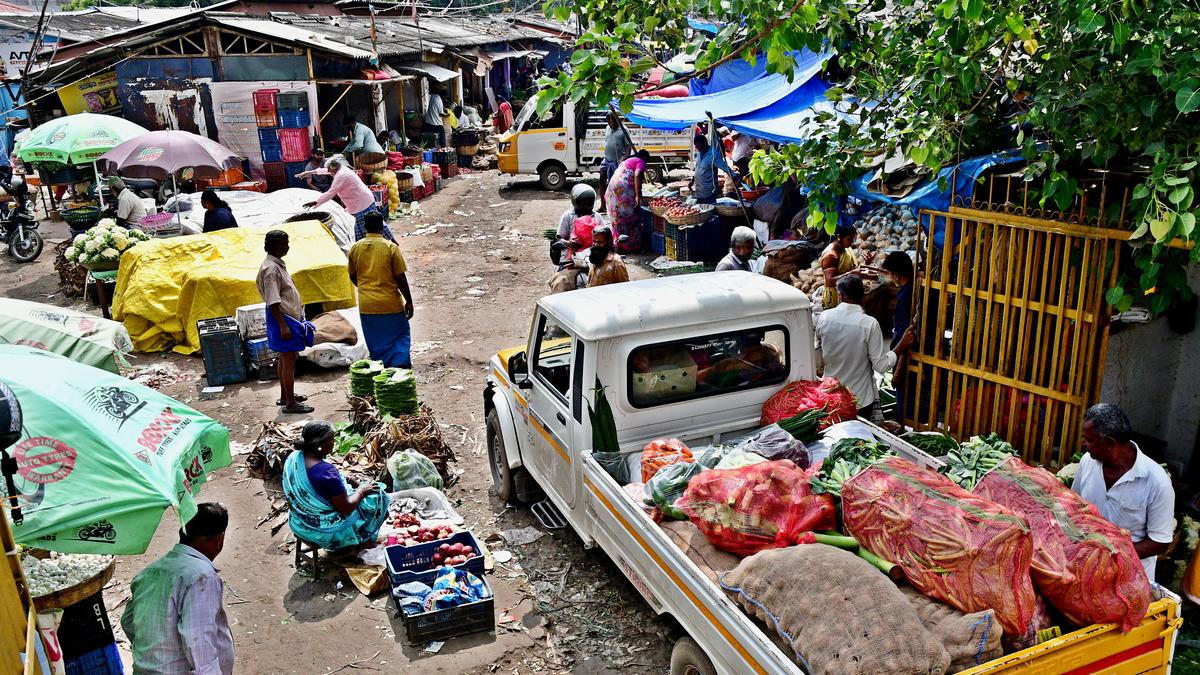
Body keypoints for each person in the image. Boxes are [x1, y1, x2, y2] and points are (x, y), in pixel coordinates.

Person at [122, 503, 234, 675]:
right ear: (219, 539)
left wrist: (154, 655)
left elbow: (128, 621)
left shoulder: (149, 573)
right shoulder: (201, 576)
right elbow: (198, 641)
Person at [1074, 403, 1176, 583]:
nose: (1083, 444)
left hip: (1129, 579)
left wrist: (1112, 554)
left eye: (1088, 439)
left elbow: (1160, 542)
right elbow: (1072, 505)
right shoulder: (1087, 462)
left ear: (1109, 443)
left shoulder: (1157, 482)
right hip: (1083, 568)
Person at [816, 274, 914, 419]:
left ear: (840, 296)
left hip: (830, 396)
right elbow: (881, 366)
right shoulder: (869, 324)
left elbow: (817, 358)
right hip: (859, 401)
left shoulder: (824, 317)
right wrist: (902, 344)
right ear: (863, 297)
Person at [283, 420, 390, 552]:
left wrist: (345, 479)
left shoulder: (294, 457)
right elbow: (346, 508)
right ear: (320, 445)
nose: (334, 444)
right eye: (332, 441)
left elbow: (314, 480)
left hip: (299, 521)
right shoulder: (326, 472)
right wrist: (361, 491)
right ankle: (363, 540)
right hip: (324, 532)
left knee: (361, 490)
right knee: (378, 495)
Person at [257, 230, 315, 414]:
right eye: (283, 244)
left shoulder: (275, 265)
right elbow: (273, 300)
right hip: (283, 319)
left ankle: (285, 396)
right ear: (273, 246)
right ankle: (290, 403)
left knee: (284, 359)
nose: (287, 247)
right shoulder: (271, 270)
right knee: (289, 360)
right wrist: (283, 325)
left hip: (285, 318)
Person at [347, 212, 415, 368]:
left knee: (375, 339)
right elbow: (400, 278)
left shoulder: (355, 248)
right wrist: (409, 301)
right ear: (381, 227)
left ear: (365, 227)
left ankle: (380, 368)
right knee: (400, 335)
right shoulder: (390, 247)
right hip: (390, 302)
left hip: (367, 304)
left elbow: (352, 275)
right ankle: (399, 367)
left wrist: (365, 288)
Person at [304, 155, 392, 242]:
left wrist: (316, 202)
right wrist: (308, 172)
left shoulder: (341, 175)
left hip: (362, 203)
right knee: (370, 225)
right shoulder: (341, 169)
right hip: (359, 202)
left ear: (333, 167)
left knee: (373, 225)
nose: (328, 171)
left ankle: (383, 241)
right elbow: (325, 170)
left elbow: (330, 193)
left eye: (329, 169)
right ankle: (376, 242)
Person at [604, 149, 650, 253]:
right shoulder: (640, 161)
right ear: (645, 158)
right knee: (628, 215)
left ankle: (618, 244)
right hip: (623, 188)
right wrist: (638, 196)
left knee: (617, 215)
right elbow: (637, 175)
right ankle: (630, 245)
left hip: (613, 187)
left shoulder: (627, 161)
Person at [553, 184, 601, 265]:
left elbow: (604, 235)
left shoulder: (597, 217)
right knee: (561, 277)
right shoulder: (568, 216)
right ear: (575, 201)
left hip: (592, 258)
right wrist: (569, 243)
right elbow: (559, 238)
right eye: (584, 200)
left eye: (589, 200)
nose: (587, 203)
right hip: (570, 259)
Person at [819, 225, 859, 309]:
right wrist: (851, 274)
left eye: (853, 239)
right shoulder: (831, 255)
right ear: (839, 237)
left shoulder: (846, 249)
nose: (852, 242)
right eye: (849, 239)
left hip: (846, 294)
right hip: (834, 298)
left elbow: (853, 267)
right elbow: (830, 281)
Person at [691, 132, 737, 204]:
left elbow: (724, 167)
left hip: (709, 192)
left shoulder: (714, 154)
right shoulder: (699, 154)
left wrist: (734, 175)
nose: (696, 147)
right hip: (699, 191)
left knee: (709, 211)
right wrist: (692, 180)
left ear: (704, 143)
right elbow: (698, 168)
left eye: (697, 145)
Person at [599, 111, 632, 212]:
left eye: (612, 119)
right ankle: (603, 205)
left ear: (617, 118)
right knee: (601, 180)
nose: (610, 122)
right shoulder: (607, 128)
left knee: (616, 186)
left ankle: (617, 207)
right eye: (608, 120)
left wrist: (623, 158)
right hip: (607, 160)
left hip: (617, 163)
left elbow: (628, 148)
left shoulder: (623, 129)